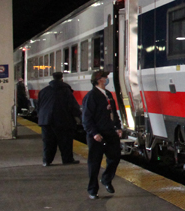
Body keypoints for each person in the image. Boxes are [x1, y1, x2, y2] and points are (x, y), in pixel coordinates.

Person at [82, 69, 122, 199]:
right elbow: (87, 118)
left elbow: (114, 113)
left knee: (115, 157)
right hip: (97, 135)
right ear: (99, 80)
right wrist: (94, 133)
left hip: (110, 132)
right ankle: (92, 190)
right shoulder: (91, 96)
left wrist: (118, 127)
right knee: (94, 163)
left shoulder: (108, 95)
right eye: (105, 77)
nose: (107, 79)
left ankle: (106, 179)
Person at [36, 71, 80, 166]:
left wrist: (41, 117)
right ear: (62, 78)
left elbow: (38, 106)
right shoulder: (66, 90)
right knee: (65, 142)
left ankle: (46, 161)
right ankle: (67, 159)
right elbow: (72, 106)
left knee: (48, 142)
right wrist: (79, 117)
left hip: (45, 121)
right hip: (62, 120)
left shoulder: (44, 91)